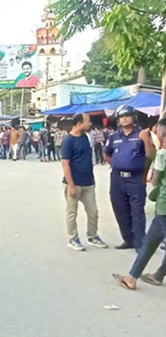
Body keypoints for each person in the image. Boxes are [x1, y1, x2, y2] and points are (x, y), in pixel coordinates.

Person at [112, 118, 166, 290]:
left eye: (157, 131)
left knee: (150, 239)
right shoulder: (116, 136)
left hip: (164, 205)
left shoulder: (162, 154)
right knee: (150, 241)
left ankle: (133, 277)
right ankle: (137, 276)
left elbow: (155, 180)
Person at [104, 105, 155, 250]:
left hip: (135, 178)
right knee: (120, 210)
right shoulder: (114, 136)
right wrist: (118, 164)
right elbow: (107, 154)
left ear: (134, 117)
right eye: (121, 116)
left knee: (137, 211)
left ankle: (140, 243)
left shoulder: (141, 135)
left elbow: (151, 154)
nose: (124, 118)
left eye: (127, 115)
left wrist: (145, 140)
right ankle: (128, 239)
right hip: (117, 179)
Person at [61, 113, 107, 251]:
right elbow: (65, 165)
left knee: (93, 211)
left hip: (88, 183)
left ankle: (92, 236)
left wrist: (92, 180)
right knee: (72, 212)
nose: (90, 123)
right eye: (88, 121)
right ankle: (73, 238)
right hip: (74, 183)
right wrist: (71, 186)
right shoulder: (68, 141)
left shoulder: (86, 138)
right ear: (79, 123)